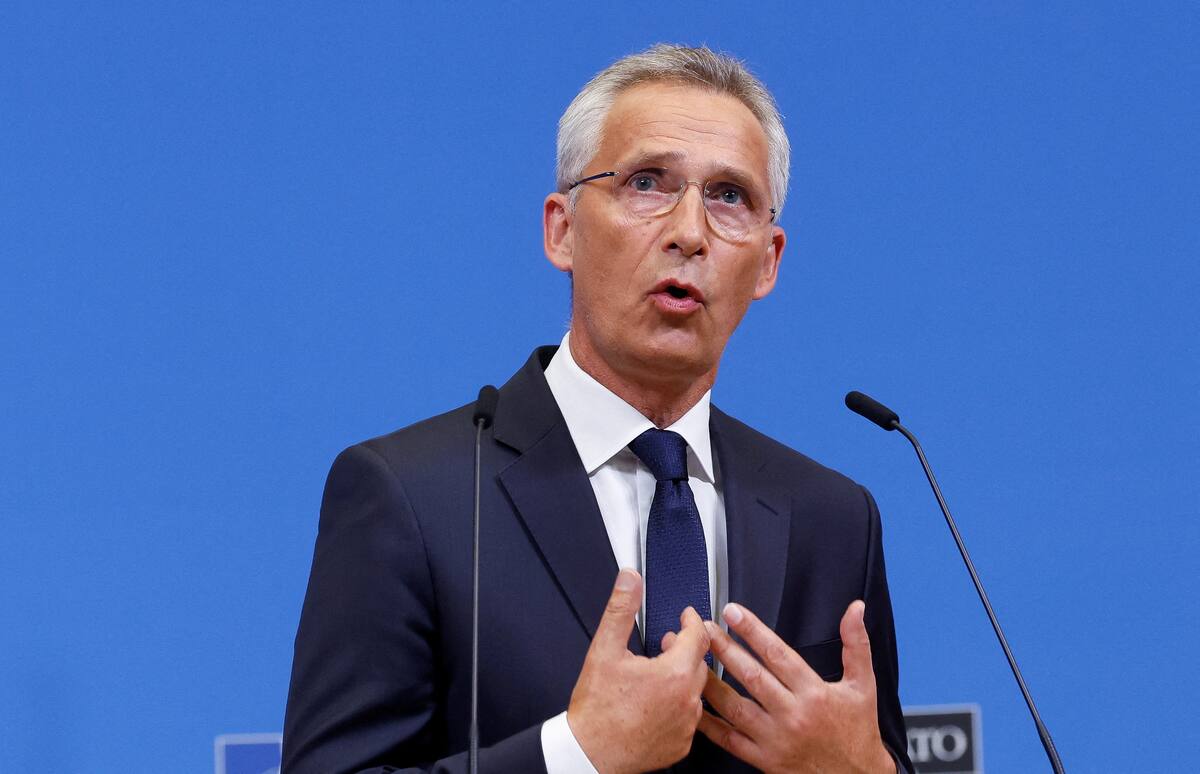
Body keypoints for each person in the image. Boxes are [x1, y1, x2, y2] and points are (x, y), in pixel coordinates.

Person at [283, 44, 913, 773]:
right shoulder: (412, 496)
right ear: (562, 229)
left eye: (729, 196)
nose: (689, 231)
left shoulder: (831, 518)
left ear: (768, 261)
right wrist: (573, 755)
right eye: (648, 183)